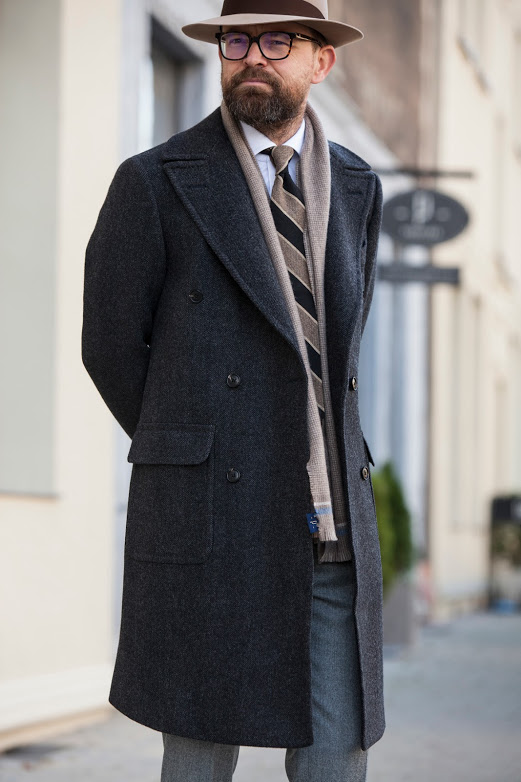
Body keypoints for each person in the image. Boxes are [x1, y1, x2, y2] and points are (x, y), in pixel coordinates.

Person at [81, 1, 385, 780]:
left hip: (329, 518)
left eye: (276, 41)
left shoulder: (356, 186)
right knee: (197, 751)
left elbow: (337, 348)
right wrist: (196, 446)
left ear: (321, 61)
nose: (252, 55)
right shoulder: (154, 181)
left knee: (336, 758)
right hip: (210, 512)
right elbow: (110, 346)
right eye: (236, 40)